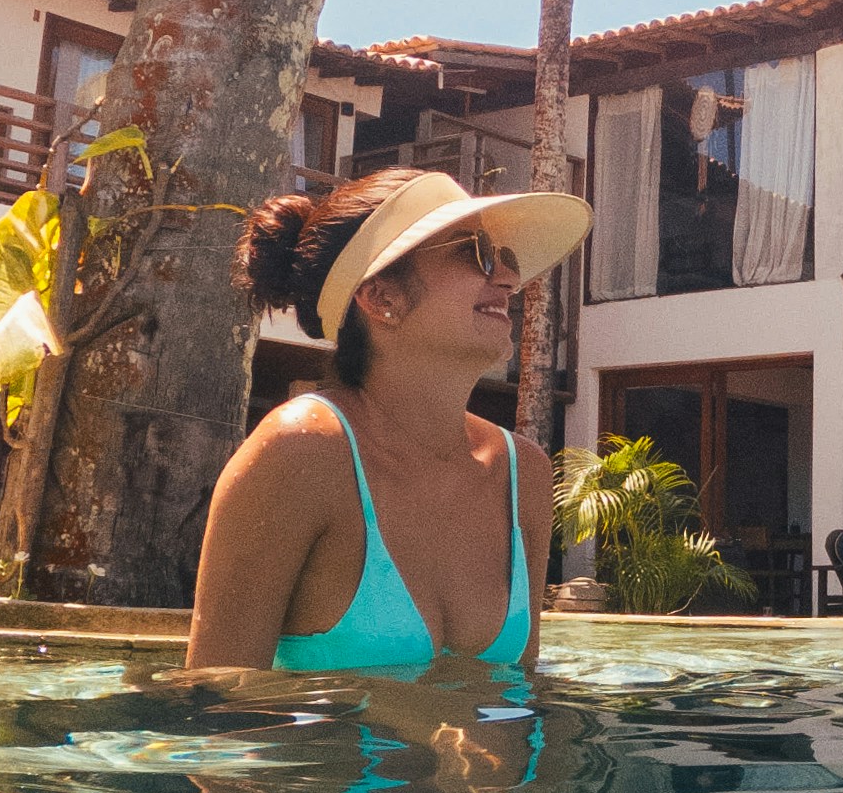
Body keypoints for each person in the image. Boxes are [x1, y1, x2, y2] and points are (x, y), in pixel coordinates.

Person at [186, 167, 593, 673]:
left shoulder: (521, 473)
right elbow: (216, 697)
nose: (508, 278)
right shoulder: (301, 454)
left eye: (504, 257)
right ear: (382, 299)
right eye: (476, 253)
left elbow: (519, 693)